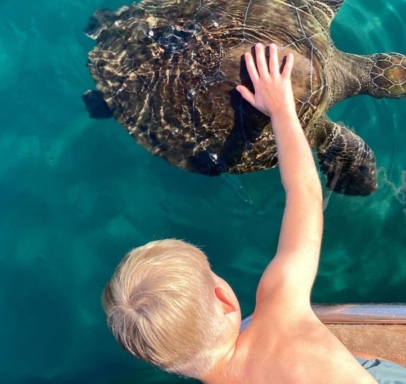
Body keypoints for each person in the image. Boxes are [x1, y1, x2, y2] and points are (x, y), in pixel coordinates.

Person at [102, 43, 406, 383]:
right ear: (224, 298)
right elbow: (304, 192)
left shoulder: (280, 310)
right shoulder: (280, 310)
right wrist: (282, 111)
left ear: (162, 363)